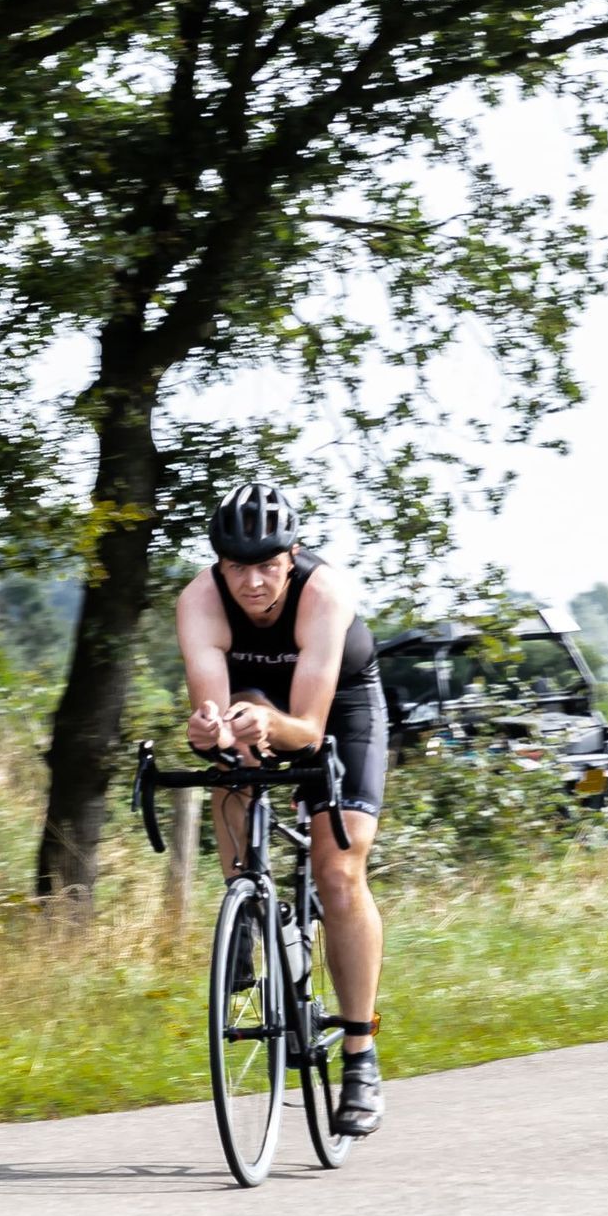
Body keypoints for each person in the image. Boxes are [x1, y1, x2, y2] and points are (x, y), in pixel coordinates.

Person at [175, 481, 390, 1137]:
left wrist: (264, 723)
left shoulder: (324, 594)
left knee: (339, 870)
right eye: (237, 565)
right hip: (254, 696)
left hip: (338, 710)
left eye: (267, 563)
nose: (254, 581)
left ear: (292, 554)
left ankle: (360, 1053)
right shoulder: (198, 601)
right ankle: (245, 898)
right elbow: (213, 716)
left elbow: (308, 727)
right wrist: (210, 731)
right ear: (219, 563)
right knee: (230, 764)